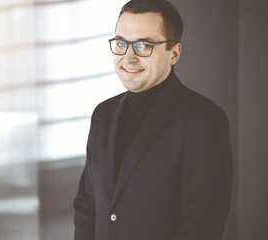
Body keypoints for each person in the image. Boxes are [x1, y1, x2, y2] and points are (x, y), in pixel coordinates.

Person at [73, 0, 233, 239]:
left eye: (143, 45)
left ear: (174, 53)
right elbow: (87, 208)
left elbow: (200, 227)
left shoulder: (205, 120)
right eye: (121, 43)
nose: (128, 57)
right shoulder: (102, 115)